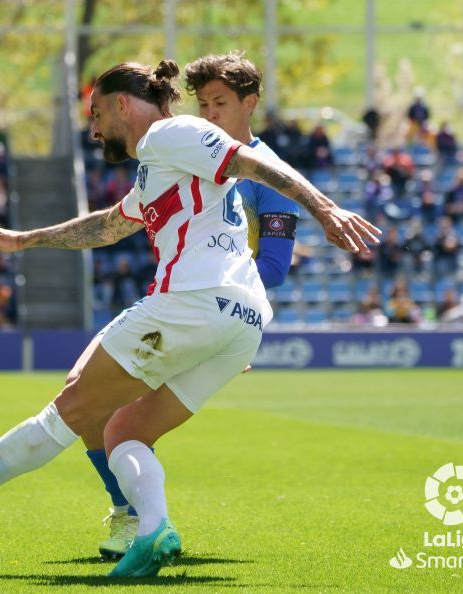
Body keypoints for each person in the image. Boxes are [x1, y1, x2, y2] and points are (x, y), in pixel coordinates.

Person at [0, 59, 380, 578]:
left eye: (96, 114)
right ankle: (151, 528)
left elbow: (253, 164)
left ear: (122, 104)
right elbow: (109, 226)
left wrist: (326, 209)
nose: (93, 129)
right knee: (122, 430)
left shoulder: (170, 133)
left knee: (71, 406)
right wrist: (24, 240)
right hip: (242, 324)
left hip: (192, 301)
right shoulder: (160, 164)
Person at [86, 51, 304, 560]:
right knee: (102, 407)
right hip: (180, 301)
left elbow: (273, 265)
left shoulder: (271, 177)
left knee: (102, 406)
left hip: (220, 312)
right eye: (203, 103)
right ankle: (134, 516)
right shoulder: (188, 146)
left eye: (221, 103)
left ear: (249, 105)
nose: (210, 115)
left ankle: (135, 519)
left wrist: (231, 313)